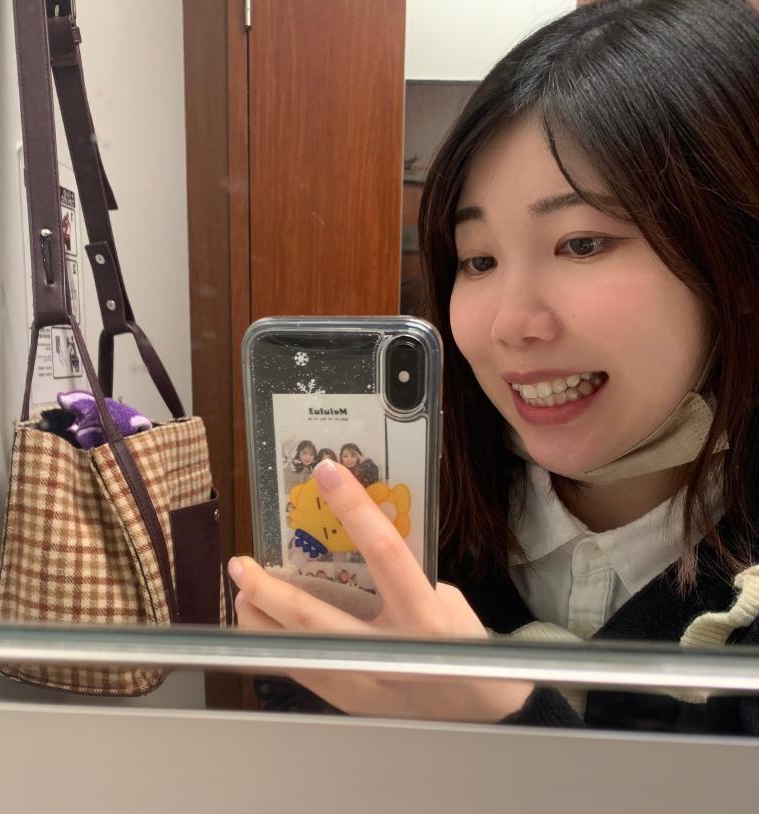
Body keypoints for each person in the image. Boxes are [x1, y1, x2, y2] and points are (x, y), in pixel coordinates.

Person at [231, 0, 759, 733]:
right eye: (478, 260)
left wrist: (500, 714)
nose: (509, 324)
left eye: (581, 244)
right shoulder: (421, 516)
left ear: (738, 254)